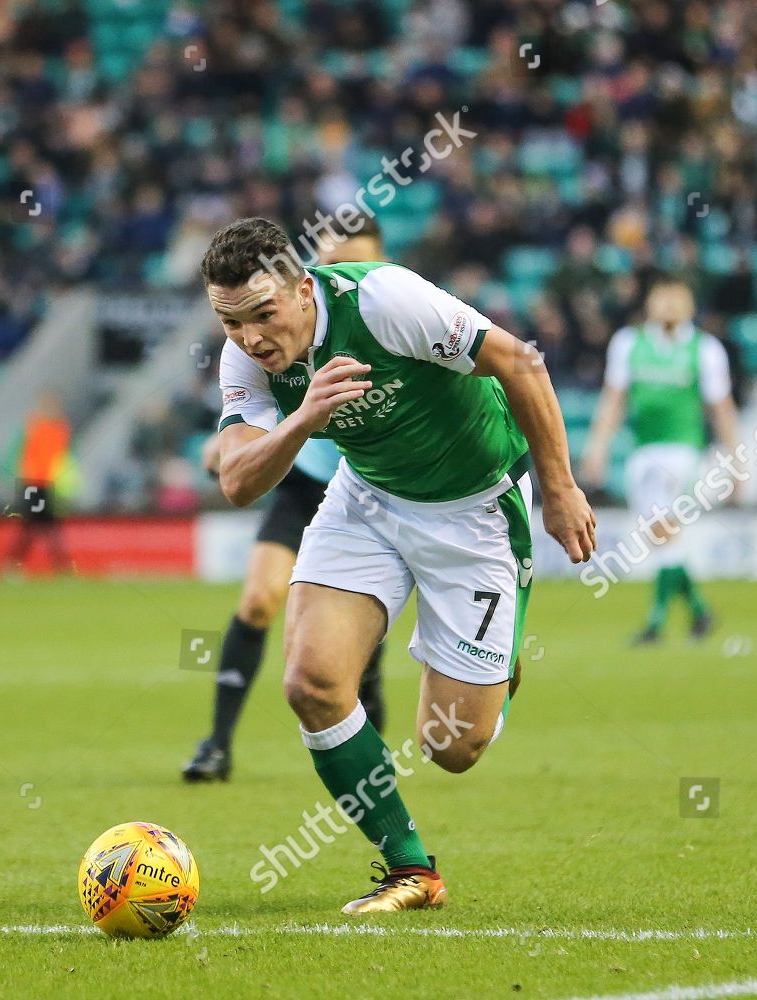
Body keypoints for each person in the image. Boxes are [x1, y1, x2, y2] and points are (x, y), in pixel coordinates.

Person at [203, 217, 595, 913]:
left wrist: (559, 489)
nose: (251, 339)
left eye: (262, 315)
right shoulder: (244, 360)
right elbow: (236, 481)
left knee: (451, 746)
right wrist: (303, 419)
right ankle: (411, 870)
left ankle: (496, 672)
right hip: (368, 499)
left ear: (302, 290)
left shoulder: (386, 301)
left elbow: (522, 363)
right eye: (230, 323)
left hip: (474, 511)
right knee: (312, 681)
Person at [183, 219, 390, 783]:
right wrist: (223, 444)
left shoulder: (385, 316)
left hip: (377, 486)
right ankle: (218, 743)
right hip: (303, 483)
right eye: (332, 262)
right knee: (257, 600)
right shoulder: (277, 326)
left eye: (357, 262)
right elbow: (253, 408)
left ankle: (367, 711)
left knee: (358, 626)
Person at [580, 276, 739, 643]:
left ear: (690, 306)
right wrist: (598, 446)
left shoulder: (705, 348)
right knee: (662, 536)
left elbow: (721, 408)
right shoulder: (628, 343)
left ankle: (655, 622)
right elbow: (613, 398)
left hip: (682, 450)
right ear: (648, 303)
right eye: (661, 297)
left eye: (676, 298)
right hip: (642, 451)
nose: (668, 305)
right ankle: (699, 611)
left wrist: (736, 458)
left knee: (664, 529)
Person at [4, 391, 73, 573]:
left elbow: (58, 452)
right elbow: (26, 453)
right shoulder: (35, 426)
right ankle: (14, 563)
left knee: (46, 525)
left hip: (46, 484)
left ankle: (58, 565)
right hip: (32, 484)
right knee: (33, 526)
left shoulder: (57, 428)